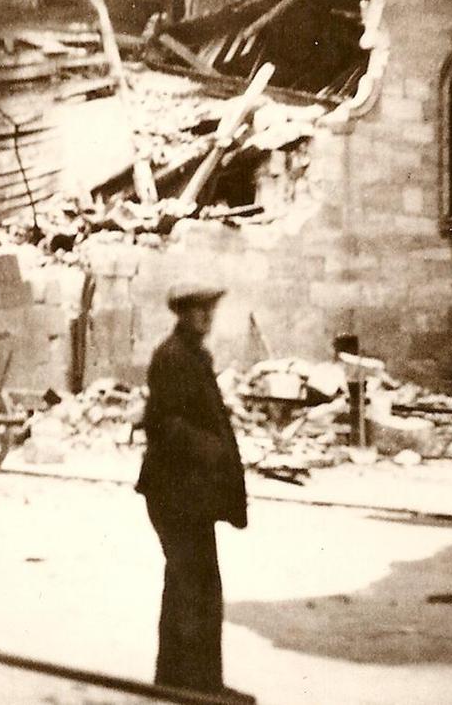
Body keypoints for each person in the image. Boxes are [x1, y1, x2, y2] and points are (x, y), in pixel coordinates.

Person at [136, 283, 254, 703]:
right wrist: (214, 449)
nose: (206, 316)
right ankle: (192, 689)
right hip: (173, 492)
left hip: (187, 491)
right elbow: (162, 422)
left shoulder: (193, 356)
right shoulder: (172, 357)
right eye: (198, 309)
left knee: (195, 585)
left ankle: (186, 684)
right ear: (181, 314)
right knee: (193, 586)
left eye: (209, 308)